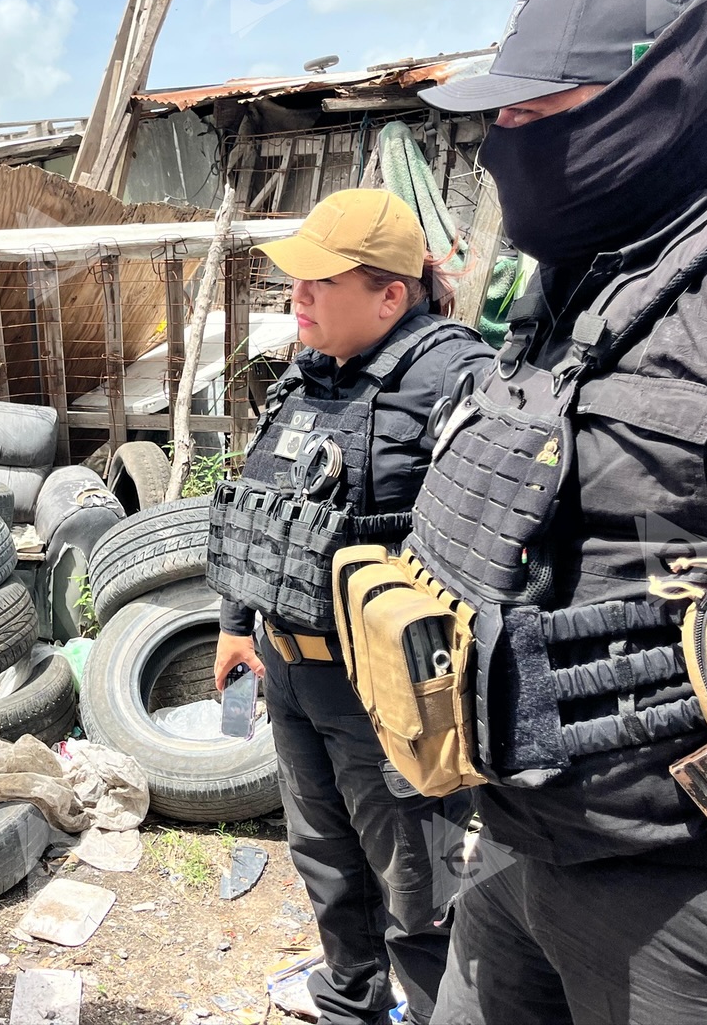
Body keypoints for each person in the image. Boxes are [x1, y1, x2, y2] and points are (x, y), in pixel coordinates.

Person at [403, 0, 707, 1022]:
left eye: (538, 115)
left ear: (657, 96)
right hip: (521, 856)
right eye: (497, 121)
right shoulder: (577, 282)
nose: (501, 147)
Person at [206, 189, 493, 1025]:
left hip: (393, 698)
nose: (296, 297)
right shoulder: (308, 374)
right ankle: (351, 1001)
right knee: (327, 863)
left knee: (421, 888)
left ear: (390, 295)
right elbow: (263, 512)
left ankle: (443, 1010)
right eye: (294, 282)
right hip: (292, 674)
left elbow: (495, 553)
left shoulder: (455, 380)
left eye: (318, 283)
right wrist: (234, 628)